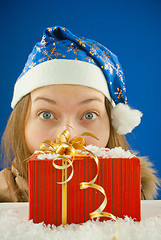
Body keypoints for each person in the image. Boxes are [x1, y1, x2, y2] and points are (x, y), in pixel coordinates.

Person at [0, 26, 159, 202]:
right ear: (21, 124)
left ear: (111, 125)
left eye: (89, 115)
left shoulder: (140, 205)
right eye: (46, 114)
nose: (67, 136)